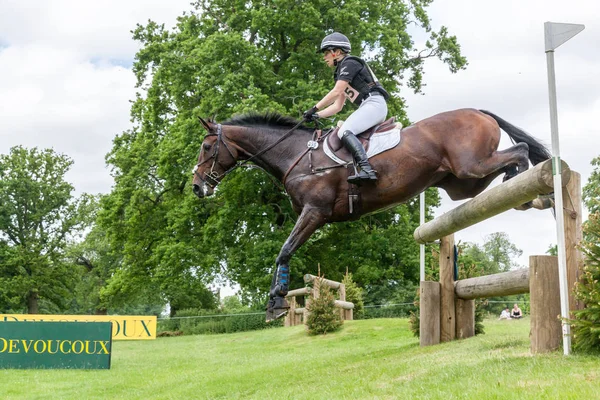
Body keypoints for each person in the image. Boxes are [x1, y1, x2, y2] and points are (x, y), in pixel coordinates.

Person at [303, 32, 390, 185]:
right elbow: (337, 106)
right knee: (343, 130)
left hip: (374, 103)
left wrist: (314, 108)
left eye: (326, 53)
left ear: (336, 52)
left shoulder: (350, 62)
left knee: (344, 131)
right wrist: (317, 116)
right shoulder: (341, 73)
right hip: (368, 106)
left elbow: (336, 91)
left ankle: (367, 169)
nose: (324, 57)